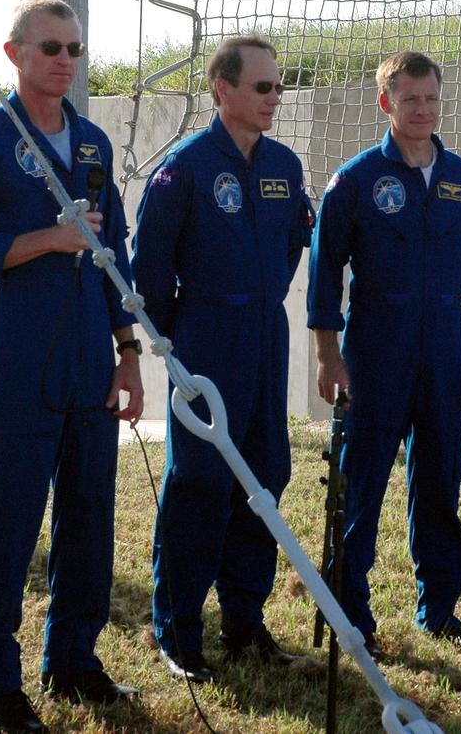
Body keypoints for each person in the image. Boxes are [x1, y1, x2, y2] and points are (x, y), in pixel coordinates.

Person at [0, 0, 143, 734]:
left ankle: (73, 659)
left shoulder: (91, 146)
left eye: (74, 49)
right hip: (24, 360)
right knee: (7, 522)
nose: (64, 61)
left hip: (91, 358)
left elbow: (114, 257)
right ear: (14, 53)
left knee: (88, 521)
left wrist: (128, 353)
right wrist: (44, 239)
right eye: (50, 47)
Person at [307, 51, 461, 654]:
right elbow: (325, 273)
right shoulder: (358, 179)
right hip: (375, 341)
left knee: (441, 479)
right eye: (409, 98)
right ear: (385, 103)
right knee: (361, 480)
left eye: (431, 98)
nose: (422, 110)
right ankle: (350, 614)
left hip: (443, 341)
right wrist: (326, 351)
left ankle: (439, 608)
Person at [133, 35, 315, 683]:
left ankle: (244, 619)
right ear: (223, 91)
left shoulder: (284, 165)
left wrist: (261, 297)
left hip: (266, 329)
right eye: (262, 87)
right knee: (202, 483)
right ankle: (178, 631)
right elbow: (148, 270)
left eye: (278, 88)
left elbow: (298, 236)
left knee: (265, 475)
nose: (274, 98)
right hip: (207, 335)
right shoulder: (183, 169)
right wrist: (172, 339)